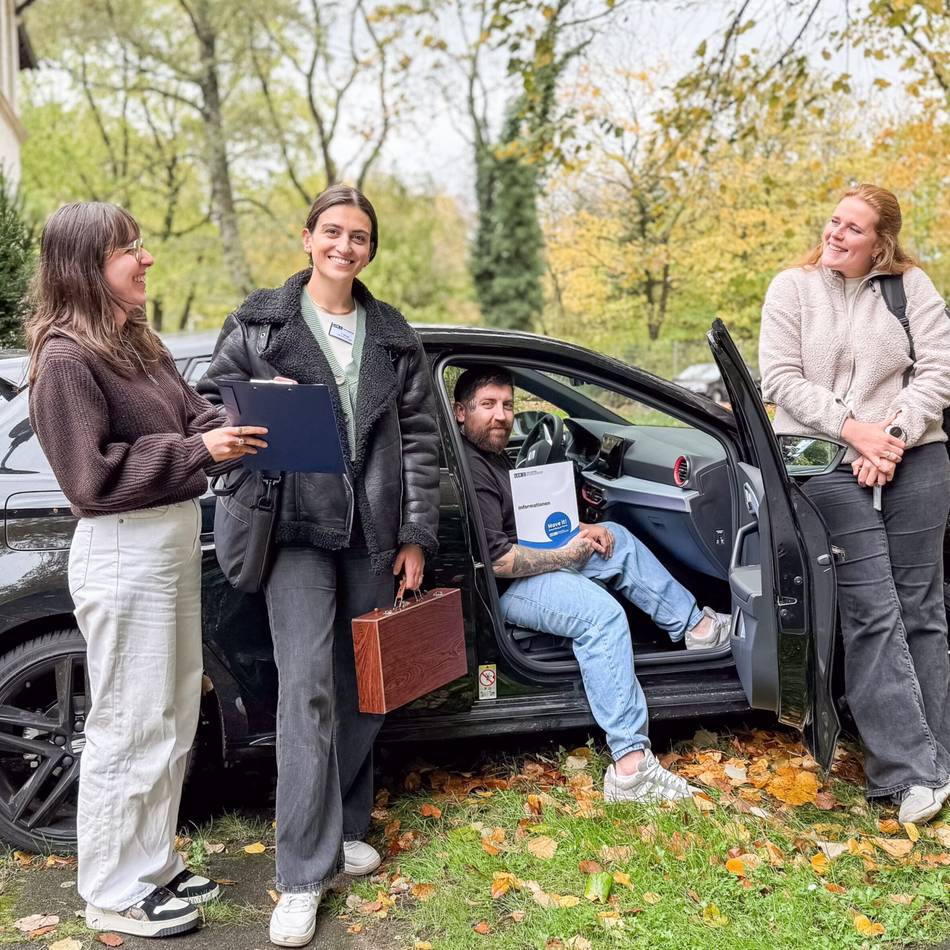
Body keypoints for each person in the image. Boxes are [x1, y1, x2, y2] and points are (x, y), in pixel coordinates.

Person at [200, 184, 440, 947]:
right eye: (332, 232)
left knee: (365, 687)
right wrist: (253, 407)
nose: (345, 245)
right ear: (307, 239)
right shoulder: (261, 324)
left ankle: (339, 830)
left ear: (371, 249)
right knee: (305, 693)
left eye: (360, 236)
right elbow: (209, 409)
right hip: (295, 532)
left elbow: (423, 441)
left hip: (372, 534)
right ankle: (301, 876)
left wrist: (415, 535)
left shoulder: (394, 336)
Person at [26, 202, 267, 938]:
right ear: (86, 268)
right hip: (122, 548)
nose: (146, 259)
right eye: (129, 249)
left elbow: (189, 414)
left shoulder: (134, 342)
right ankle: (109, 889)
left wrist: (236, 422)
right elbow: (88, 480)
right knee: (126, 723)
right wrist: (200, 455)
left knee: (167, 716)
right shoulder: (66, 360)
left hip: (164, 543)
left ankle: (153, 864)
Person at [759, 183, 950, 824]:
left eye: (854, 228)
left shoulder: (909, 289)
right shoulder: (793, 287)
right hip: (822, 461)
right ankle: (906, 772)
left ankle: (937, 763)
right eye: (834, 221)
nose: (836, 234)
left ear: (881, 243)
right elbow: (780, 379)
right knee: (873, 606)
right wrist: (853, 430)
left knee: (923, 608)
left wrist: (890, 437)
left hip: (914, 454)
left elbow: (939, 369)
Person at [452, 366, 730, 803]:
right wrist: (567, 555)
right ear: (460, 412)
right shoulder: (471, 468)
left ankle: (697, 629)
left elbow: (521, 523)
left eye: (507, 405)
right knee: (601, 616)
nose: (501, 416)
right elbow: (501, 561)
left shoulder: (493, 453)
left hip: (528, 562)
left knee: (614, 541)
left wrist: (581, 529)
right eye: (488, 405)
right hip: (505, 590)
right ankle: (631, 769)